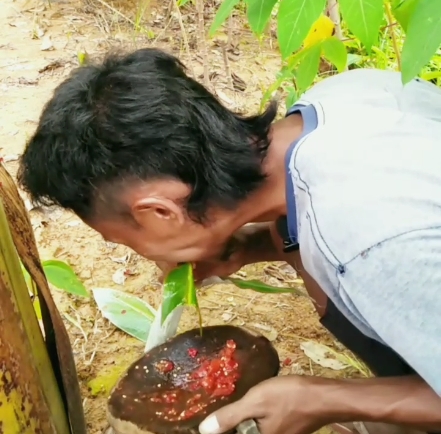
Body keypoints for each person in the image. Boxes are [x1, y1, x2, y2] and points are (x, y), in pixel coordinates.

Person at [18, 48, 441, 434]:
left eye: (130, 242)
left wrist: (322, 398)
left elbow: (378, 254)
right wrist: (246, 249)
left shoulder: (366, 243)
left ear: (160, 213)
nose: (150, 261)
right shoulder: (339, 98)